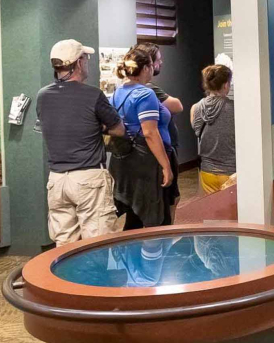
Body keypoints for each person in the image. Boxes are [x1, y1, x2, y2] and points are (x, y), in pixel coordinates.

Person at [35, 39, 125, 245]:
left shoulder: (43, 95)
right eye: (85, 58)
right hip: (88, 178)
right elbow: (119, 129)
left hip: (57, 180)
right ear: (78, 63)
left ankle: (64, 278)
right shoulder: (93, 95)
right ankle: (92, 279)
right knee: (97, 245)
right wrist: (100, 127)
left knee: (64, 246)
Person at [108, 45, 176, 230]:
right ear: (146, 68)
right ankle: (152, 258)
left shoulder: (117, 93)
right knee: (152, 216)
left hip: (125, 162)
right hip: (146, 163)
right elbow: (150, 132)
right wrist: (166, 166)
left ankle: (132, 257)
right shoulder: (146, 94)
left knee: (135, 216)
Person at [191, 63, 236, 194]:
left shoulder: (195, 108)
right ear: (226, 85)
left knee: (214, 212)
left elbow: (199, 133)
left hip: (207, 172)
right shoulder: (236, 108)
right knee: (233, 213)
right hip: (232, 173)